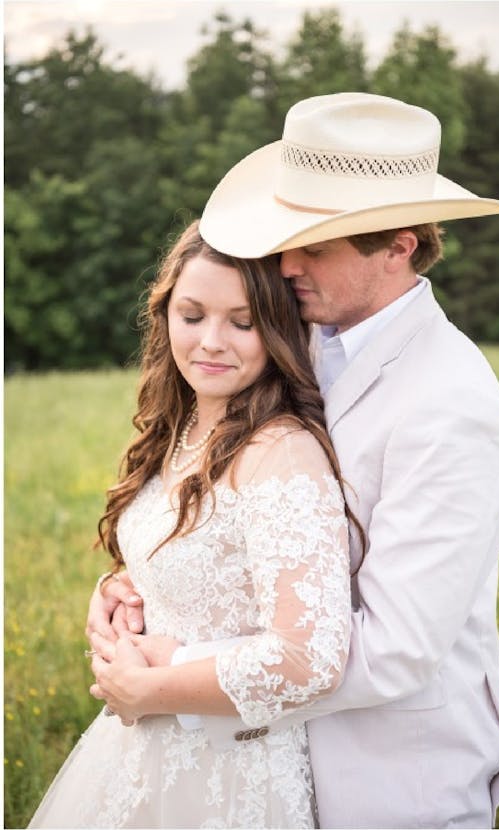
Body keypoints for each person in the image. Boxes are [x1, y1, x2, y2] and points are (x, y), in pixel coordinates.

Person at [87, 93, 499, 829]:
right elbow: (255, 525)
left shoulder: (452, 404)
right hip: (260, 762)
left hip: (388, 780)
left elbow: (394, 650)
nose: (284, 262)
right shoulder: (298, 337)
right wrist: (152, 585)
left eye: (315, 245)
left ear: (398, 246)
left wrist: (171, 668)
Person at [28, 220, 355, 829]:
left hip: (230, 772)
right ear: (165, 315)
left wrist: (153, 689)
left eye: (242, 321)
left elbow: (310, 658)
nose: (211, 341)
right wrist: (118, 591)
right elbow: (196, 561)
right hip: (138, 752)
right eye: (192, 314)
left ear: (278, 329)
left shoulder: (280, 453)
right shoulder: (181, 429)